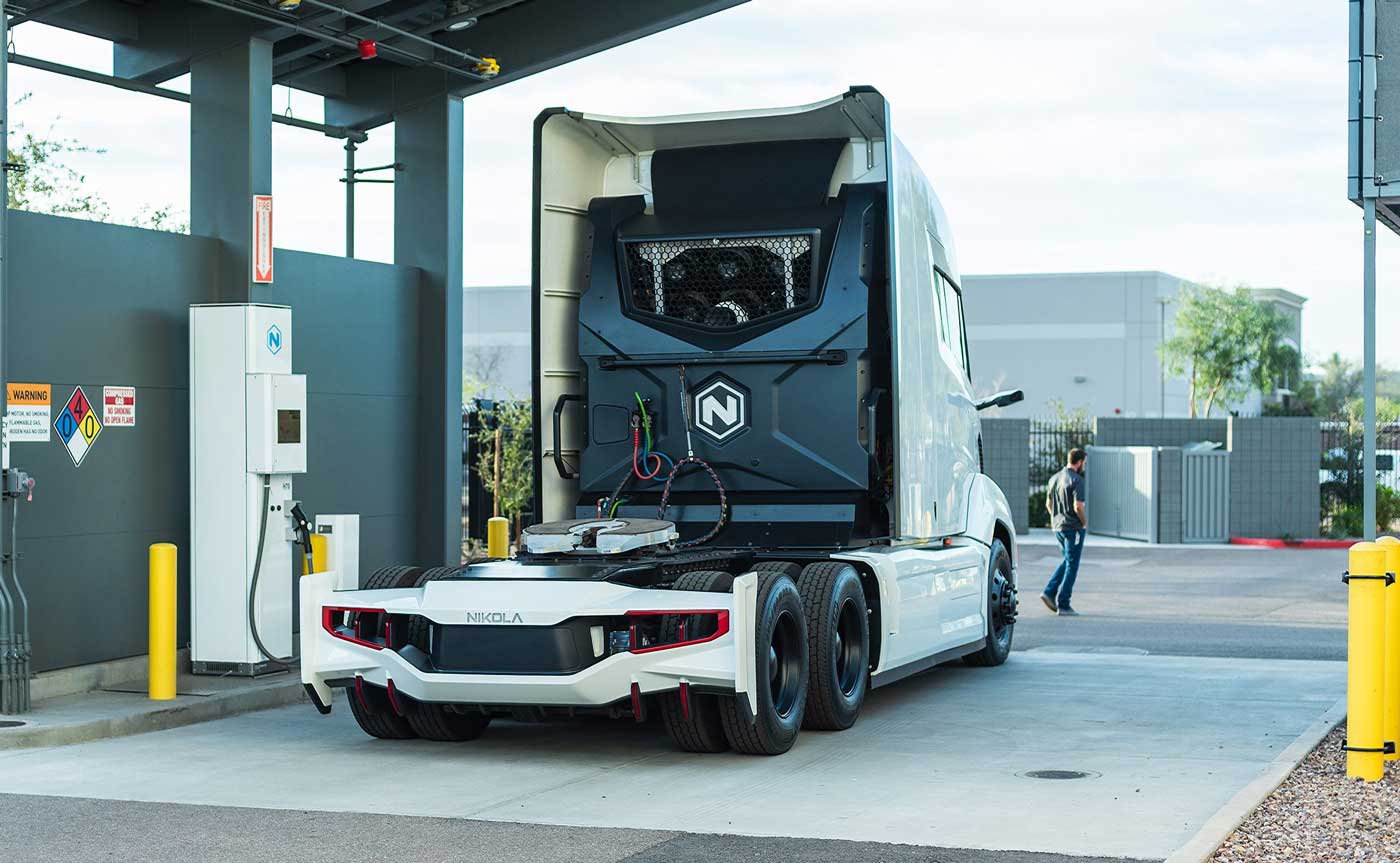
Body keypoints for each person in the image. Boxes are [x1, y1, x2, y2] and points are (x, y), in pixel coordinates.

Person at [1041, 448, 1087, 616]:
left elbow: (1048, 503)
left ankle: (1049, 592)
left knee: (1068, 560)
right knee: (1072, 565)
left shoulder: (1054, 478)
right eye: (1084, 462)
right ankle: (1064, 603)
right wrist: (1084, 523)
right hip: (1073, 527)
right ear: (1080, 461)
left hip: (1058, 527)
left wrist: (1056, 518)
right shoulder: (1077, 480)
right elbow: (1078, 506)